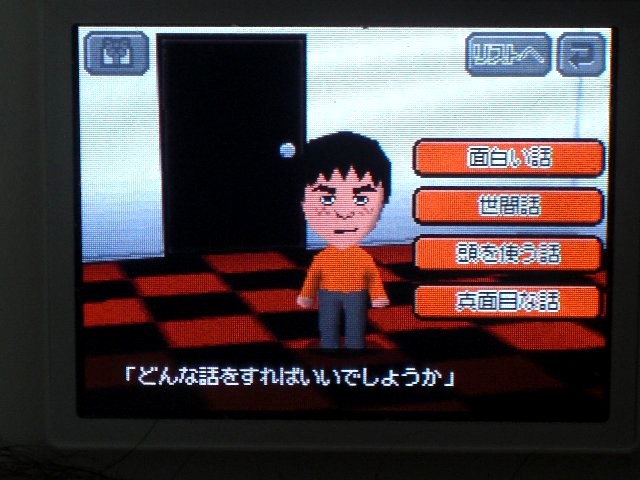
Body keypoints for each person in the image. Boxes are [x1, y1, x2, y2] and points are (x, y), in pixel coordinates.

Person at [296, 131, 391, 349]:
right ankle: (329, 344)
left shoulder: (363, 258)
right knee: (328, 321)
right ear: (303, 202)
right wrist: (306, 295)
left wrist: (378, 296)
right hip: (327, 294)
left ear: (382, 202)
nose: (344, 212)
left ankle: (354, 344)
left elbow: (372, 279)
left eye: (361, 199)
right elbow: (313, 278)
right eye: (327, 198)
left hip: (356, 294)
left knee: (355, 322)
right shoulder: (322, 258)